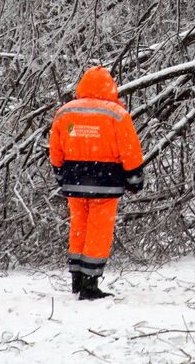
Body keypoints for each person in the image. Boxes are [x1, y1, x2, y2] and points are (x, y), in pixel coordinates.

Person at [48, 64, 145, 300]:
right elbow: (130, 150)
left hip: (74, 180)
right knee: (98, 231)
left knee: (78, 227)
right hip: (106, 181)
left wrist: (60, 173)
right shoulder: (117, 114)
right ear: (110, 87)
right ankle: (90, 285)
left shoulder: (65, 112)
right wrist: (134, 179)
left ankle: (77, 279)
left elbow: (55, 149)